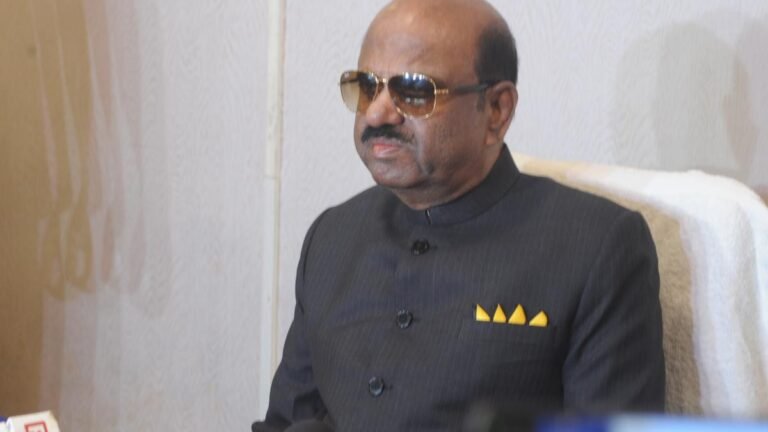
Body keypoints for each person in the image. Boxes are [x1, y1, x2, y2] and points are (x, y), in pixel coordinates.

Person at [253, 0, 665, 430]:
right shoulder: (333, 236)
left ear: (496, 110)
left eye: (415, 91)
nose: (376, 113)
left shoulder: (595, 247)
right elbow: (284, 421)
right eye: (366, 86)